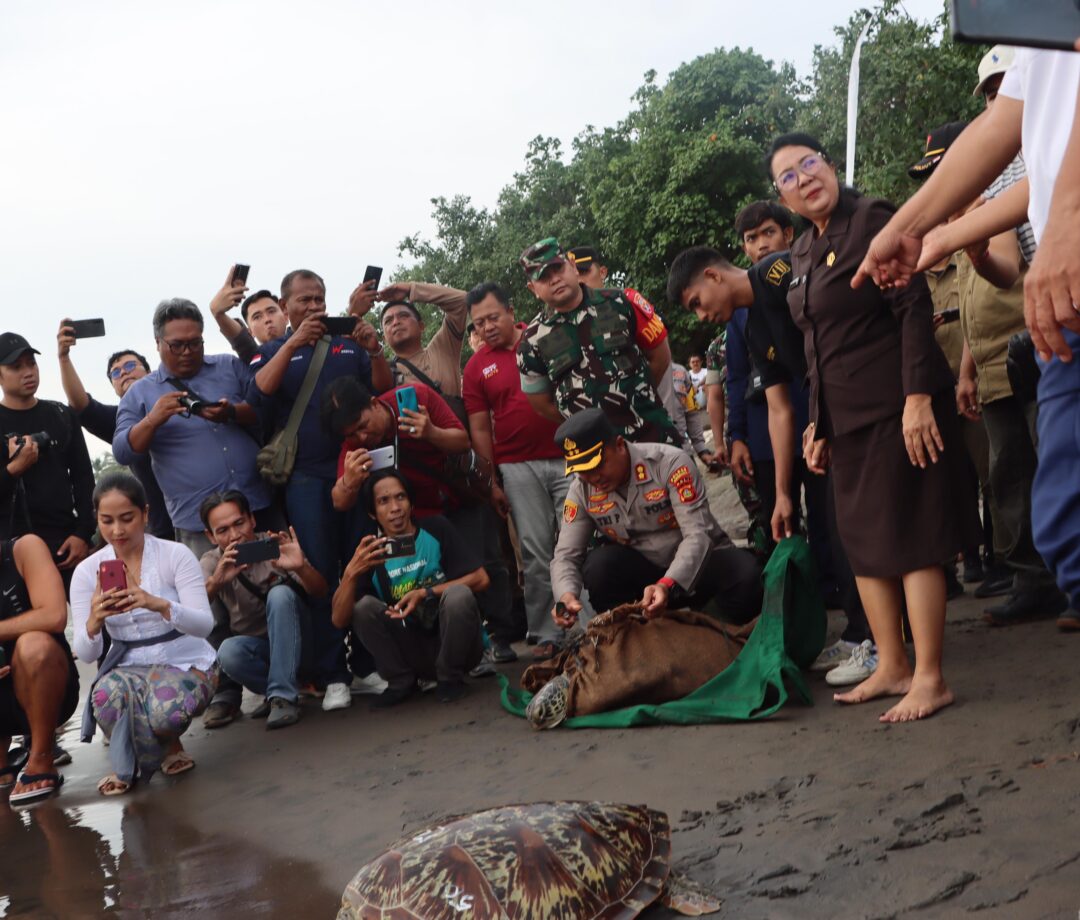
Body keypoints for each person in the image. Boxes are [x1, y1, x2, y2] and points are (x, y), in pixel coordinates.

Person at [854, 46, 1080, 633]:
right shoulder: (1035, 56)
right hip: (1055, 325)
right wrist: (918, 231)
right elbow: (1009, 142)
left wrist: (1065, 225)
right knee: (1061, 525)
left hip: (1056, 299)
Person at [766, 133, 980, 722]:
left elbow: (912, 306)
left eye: (810, 163)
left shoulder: (872, 220)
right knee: (863, 544)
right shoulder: (805, 251)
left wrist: (916, 398)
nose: (805, 177)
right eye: (789, 175)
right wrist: (817, 425)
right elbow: (814, 347)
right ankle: (892, 665)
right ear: (783, 197)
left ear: (829, 165)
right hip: (847, 420)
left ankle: (931, 675)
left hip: (895, 405)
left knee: (912, 537)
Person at [667, 241, 874, 683]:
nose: (701, 316)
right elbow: (780, 408)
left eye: (697, 303)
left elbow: (842, 332)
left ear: (714, 276)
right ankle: (862, 634)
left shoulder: (780, 273)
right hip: (827, 422)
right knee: (837, 530)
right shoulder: (751, 325)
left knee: (860, 528)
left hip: (864, 403)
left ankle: (878, 640)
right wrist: (781, 494)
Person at [911, 118, 1062, 622]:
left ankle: (1065, 575)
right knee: (1008, 475)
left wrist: (973, 247)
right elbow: (971, 310)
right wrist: (968, 372)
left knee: (1055, 462)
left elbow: (1007, 272)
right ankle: (1032, 579)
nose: (937, 186)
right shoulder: (955, 229)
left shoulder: (999, 205)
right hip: (992, 366)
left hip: (1038, 352)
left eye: (943, 171)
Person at [249, 269, 391, 711]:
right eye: (304, 301)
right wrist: (293, 343)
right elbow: (257, 398)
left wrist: (374, 349)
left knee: (363, 561)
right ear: (286, 306)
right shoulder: (273, 351)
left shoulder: (348, 346)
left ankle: (366, 664)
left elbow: (382, 392)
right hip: (307, 480)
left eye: (319, 299)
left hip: (356, 470)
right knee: (318, 573)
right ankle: (334, 673)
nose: (314, 307)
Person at [323, 376, 517, 663]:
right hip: (424, 516)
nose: (362, 438)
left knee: (486, 563)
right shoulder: (354, 448)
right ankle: (462, 646)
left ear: (374, 404)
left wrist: (430, 432)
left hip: (460, 497)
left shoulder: (417, 397)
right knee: (447, 578)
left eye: (363, 426)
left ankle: (500, 635)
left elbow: (462, 440)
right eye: (352, 434)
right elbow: (339, 500)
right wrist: (350, 482)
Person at [71, 472, 217, 796]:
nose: (117, 530)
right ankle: (130, 760)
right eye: (106, 521)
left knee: (166, 713)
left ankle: (165, 744)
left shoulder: (174, 555)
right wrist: (95, 620)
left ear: (146, 514)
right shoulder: (86, 572)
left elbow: (205, 625)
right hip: (127, 666)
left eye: (127, 518)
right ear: (97, 519)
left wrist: (159, 604)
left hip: (184, 659)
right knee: (103, 700)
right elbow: (87, 653)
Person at [550, 409, 762, 627]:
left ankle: (712, 628)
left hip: (698, 565)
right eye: (583, 471)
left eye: (598, 464)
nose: (594, 478)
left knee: (747, 575)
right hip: (644, 575)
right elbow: (566, 554)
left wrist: (667, 584)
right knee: (599, 567)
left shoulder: (669, 463)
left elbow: (698, 534)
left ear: (620, 445)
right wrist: (565, 596)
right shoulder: (581, 490)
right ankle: (631, 637)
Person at [462, 282, 566, 657]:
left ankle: (590, 624)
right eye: (478, 324)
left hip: (571, 458)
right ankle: (546, 632)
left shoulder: (544, 340)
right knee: (536, 551)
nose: (487, 327)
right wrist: (490, 481)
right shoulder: (476, 367)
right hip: (517, 468)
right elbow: (478, 427)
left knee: (577, 543)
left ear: (510, 311)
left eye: (492, 317)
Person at [331, 469, 488, 705]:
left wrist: (426, 592)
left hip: (457, 645)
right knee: (362, 607)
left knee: (459, 594)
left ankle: (449, 678)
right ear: (372, 513)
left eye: (400, 497)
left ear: (411, 504)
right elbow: (339, 620)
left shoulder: (436, 529)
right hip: (411, 648)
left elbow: (481, 578)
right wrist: (351, 572)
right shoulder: (371, 553)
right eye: (384, 501)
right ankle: (400, 682)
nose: (395, 508)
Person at [516, 238, 680, 447]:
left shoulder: (620, 302)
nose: (555, 279)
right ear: (533, 289)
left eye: (558, 269)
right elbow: (542, 404)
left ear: (573, 267)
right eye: (544, 277)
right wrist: (586, 421)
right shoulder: (531, 342)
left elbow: (659, 355)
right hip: (595, 453)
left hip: (651, 433)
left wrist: (636, 395)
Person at [200, 491, 327, 730]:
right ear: (210, 535)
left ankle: (282, 695)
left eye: (239, 523)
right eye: (223, 530)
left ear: (252, 520)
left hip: (302, 644)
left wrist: (300, 568)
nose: (235, 535)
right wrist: (217, 580)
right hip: (260, 651)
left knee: (279, 594)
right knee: (228, 651)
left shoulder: (275, 545)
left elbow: (320, 591)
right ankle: (281, 689)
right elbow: (193, 611)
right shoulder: (210, 562)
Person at [567, 244, 692, 455]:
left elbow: (661, 357)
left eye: (586, 272)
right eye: (575, 274)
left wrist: (634, 391)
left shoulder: (626, 300)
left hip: (651, 405)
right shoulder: (565, 324)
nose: (580, 280)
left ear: (603, 272)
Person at [56, 323, 173, 539]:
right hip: (164, 528)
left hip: (214, 510)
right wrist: (64, 358)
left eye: (130, 366)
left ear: (150, 371)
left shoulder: (178, 396)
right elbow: (82, 406)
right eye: (116, 373)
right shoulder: (120, 421)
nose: (123, 374)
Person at [0, 332, 95, 591]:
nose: (28, 372)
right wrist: (13, 469)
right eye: (16, 367)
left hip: (65, 542)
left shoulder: (60, 414)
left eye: (31, 363)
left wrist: (82, 534)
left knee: (96, 623)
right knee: (33, 629)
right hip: (12, 548)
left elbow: (84, 478)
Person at [0, 534, 80, 805]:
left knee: (33, 645)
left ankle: (41, 757)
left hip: (47, 687)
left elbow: (55, 615)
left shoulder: (24, 549)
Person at [352, 277, 468, 404]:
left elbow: (462, 300)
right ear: (384, 338)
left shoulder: (443, 348)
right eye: (388, 321)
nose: (396, 322)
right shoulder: (384, 372)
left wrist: (410, 289)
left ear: (421, 326)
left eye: (403, 315)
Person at [209, 265, 289, 363]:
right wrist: (217, 313)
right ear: (250, 331)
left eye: (271, 311)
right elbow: (240, 339)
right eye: (257, 317)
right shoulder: (254, 357)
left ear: (286, 316)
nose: (267, 319)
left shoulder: (307, 340)